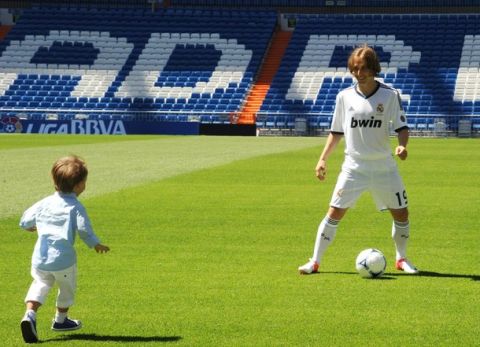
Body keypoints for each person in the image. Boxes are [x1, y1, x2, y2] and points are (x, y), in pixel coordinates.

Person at [298, 44, 419, 275]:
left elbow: (402, 127)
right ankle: (314, 261)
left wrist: (402, 145)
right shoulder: (344, 96)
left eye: (363, 68)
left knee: (402, 213)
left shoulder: (390, 95)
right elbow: (336, 132)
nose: (358, 73)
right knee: (334, 213)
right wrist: (322, 159)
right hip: (354, 167)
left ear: (373, 68)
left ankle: (402, 259)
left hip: (384, 167)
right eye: (354, 69)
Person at [19, 155, 110, 343]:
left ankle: (30, 315)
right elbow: (84, 229)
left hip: (40, 258)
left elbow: (25, 220)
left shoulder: (44, 202)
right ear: (78, 186)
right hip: (63, 260)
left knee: (40, 284)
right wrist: (96, 244)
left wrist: (29, 227)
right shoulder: (75, 206)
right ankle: (60, 320)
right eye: (84, 182)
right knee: (67, 288)